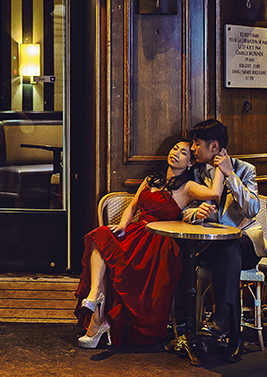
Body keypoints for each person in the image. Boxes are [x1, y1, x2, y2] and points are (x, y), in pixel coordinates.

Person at [74, 139, 225, 349]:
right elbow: (133, 206)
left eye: (183, 153)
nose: (176, 154)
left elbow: (215, 193)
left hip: (160, 242)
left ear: (190, 164)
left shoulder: (188, 187)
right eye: (175, 149)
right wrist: (123, 225)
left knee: (118, 263)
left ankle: (99, 322)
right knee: (101, 235)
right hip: (136, 231)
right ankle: (95, 293)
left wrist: (221, 167)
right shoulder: (151, 179)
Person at [183, 119, 264, 362]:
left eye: (197, 144)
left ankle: (220, 324)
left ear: (214, 146)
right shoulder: (196, 173)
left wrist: (230, 176)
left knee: (231, 250)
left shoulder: (245, 169)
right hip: (210, 243)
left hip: (247, 243)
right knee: (228, 258)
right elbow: (184, 208)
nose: (193, 148)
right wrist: (195, 214)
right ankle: (231, 334)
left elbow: (252, 209)